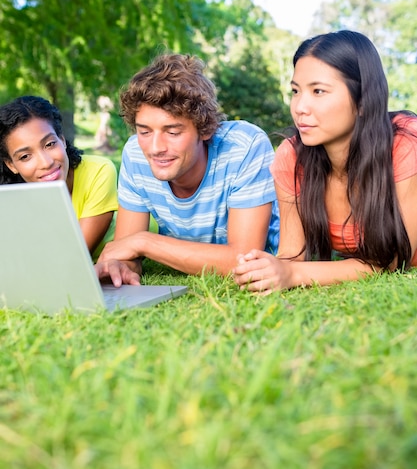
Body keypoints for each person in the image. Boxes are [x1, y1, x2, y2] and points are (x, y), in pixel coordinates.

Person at [234, 29, 417, 294]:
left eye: (318, 91)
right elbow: (292, 254)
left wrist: (294, 273)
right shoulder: (292, 156)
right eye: (296, 91)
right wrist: (266, 269)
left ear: (363, 100)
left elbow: (395, 259)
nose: (299, 107)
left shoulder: (405, 144)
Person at [96, 52, 279, 285]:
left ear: (205, 129)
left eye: (173, 132)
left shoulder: (244, 146)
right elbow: (125, 250)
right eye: (144, 131)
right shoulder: (135, 154)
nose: (155, 148)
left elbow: (243, 260)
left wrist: (144, 242)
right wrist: (118, 266)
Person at [0, 95, 118, 262]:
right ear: (11, 164)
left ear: (62, 140)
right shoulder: (12, 200)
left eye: (49, 144)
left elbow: (74, 257)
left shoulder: (99, 171)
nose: (46, 163)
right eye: (25, 156)